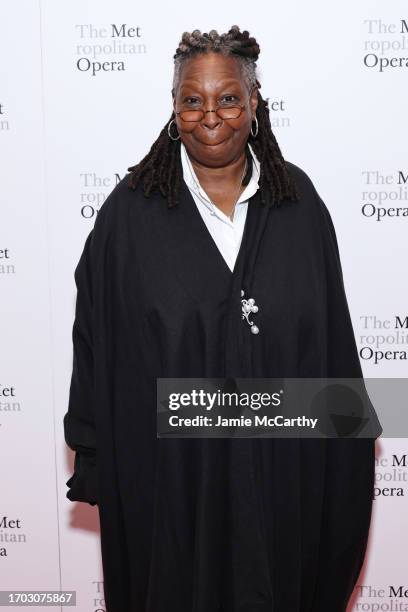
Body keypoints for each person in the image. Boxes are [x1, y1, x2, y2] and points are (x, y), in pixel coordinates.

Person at [63, 25, 379, 612]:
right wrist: (94, 450)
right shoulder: (129, 216)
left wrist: (347, 450)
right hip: (171, 482)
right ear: (175, 107)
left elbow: (332, 340)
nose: (211, 115)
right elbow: (96, 341)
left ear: (254, 103)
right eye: (193, 99)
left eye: (228, 98)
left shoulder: (299, 205)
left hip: (283, 474)